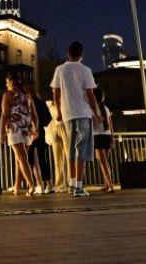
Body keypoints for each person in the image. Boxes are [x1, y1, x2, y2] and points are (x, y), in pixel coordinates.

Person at [50, 41, 101, 197]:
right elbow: (90, 95)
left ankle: (72, 184)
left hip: (67, 115)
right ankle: (79, 186)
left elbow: (55, 92)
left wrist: (58, 110)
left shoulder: (60, 69)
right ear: (81, 54)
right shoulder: (86, 70)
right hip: (83, 113)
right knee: (82, 151)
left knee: (71, 151)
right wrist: (96, 112)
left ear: (68, 53)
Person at [0, 71, 46, 195]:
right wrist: (35, 129)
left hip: (14, 128)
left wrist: (1, 134)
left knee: (21, 158)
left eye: (7, 82)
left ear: (11, 82)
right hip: (27, 129)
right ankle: (17, 186)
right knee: (20, 158)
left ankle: (31, 185)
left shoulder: (8, 95)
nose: (6, 84)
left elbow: (4, 115)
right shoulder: (27, 95)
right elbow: (34, 115)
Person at [44, 96, 70, 193]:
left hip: (64, 126)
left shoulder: (65, 102)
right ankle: (60, 185)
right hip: (54, 127)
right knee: (58, 159)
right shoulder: (50, 103)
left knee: (69, 157)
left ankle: (71, 182)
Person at [92, 89, 115, 193]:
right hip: (107, 135)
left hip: (98, 135)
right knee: (105, 162)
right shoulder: (106, 108)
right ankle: (107, 184)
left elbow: (91, 124)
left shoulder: (92, 108)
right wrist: (112, 138)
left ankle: (110, 184)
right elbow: (110, 125)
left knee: (103, 162)